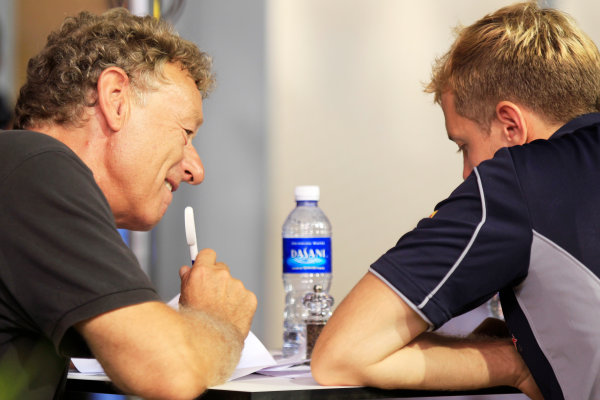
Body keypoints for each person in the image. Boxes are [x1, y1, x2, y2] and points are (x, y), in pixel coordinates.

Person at [311, 2, 600, 400]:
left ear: (511, 125)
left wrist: (513, 363)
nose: (467, 173)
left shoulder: (514, 180)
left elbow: (341, 355)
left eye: (464, 145)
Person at [0, 8, 256, 400]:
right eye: (185, 132)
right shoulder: (38, 165)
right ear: (116, 99)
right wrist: (216, 319)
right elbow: (168, 371)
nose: (196, 170)